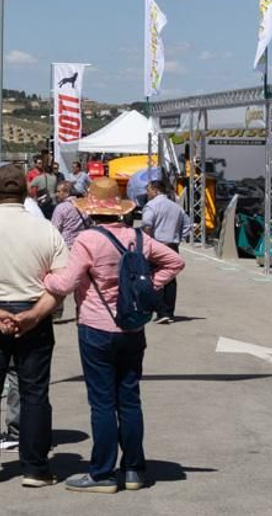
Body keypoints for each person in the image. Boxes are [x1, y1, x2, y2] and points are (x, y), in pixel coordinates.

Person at [32, 177, 185, 493]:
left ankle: (102, 473)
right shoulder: (137, 237)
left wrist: (44, 277)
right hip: (132, 326)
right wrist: (149, 287)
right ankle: (133, 470)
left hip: (96, 327)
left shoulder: (88, 239)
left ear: (91, 210)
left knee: (102, 402)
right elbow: (175, 261)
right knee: (129, 399)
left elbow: (66, 284)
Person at [0, 163, 69, 487]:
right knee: (34, 393)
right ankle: (34, 467)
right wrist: (34, 314)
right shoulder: (45, 229)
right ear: (27, 191)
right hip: (33, 314)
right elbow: (62, 281)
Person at [141, 179, 189, 324]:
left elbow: (147, 225)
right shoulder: (176, 207)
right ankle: (169, 311)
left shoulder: (151, 206)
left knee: (154, 277)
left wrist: (146, 242)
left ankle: (160, 311)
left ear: (156, 190)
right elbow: (187, 225)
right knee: (170, 279)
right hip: (172, 245)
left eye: (148, 190)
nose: (147, 193)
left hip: (156, 244)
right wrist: (178, 238)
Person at [50, 180, 91, 249]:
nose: (57, 194)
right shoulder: (83, 204)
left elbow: (54, 230)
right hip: (83, 244)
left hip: (67, 246)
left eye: (59, 191)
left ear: (67, 193)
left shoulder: (60, 208)